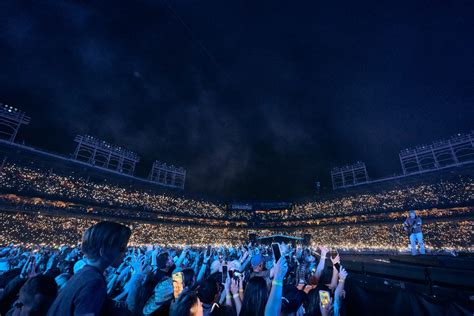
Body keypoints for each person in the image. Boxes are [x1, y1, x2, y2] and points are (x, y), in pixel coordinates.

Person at [47, 221, 131, 316]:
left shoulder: (85, 274)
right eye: (122, 247)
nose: (126, 251)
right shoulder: (94, 282)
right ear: (103, 252)